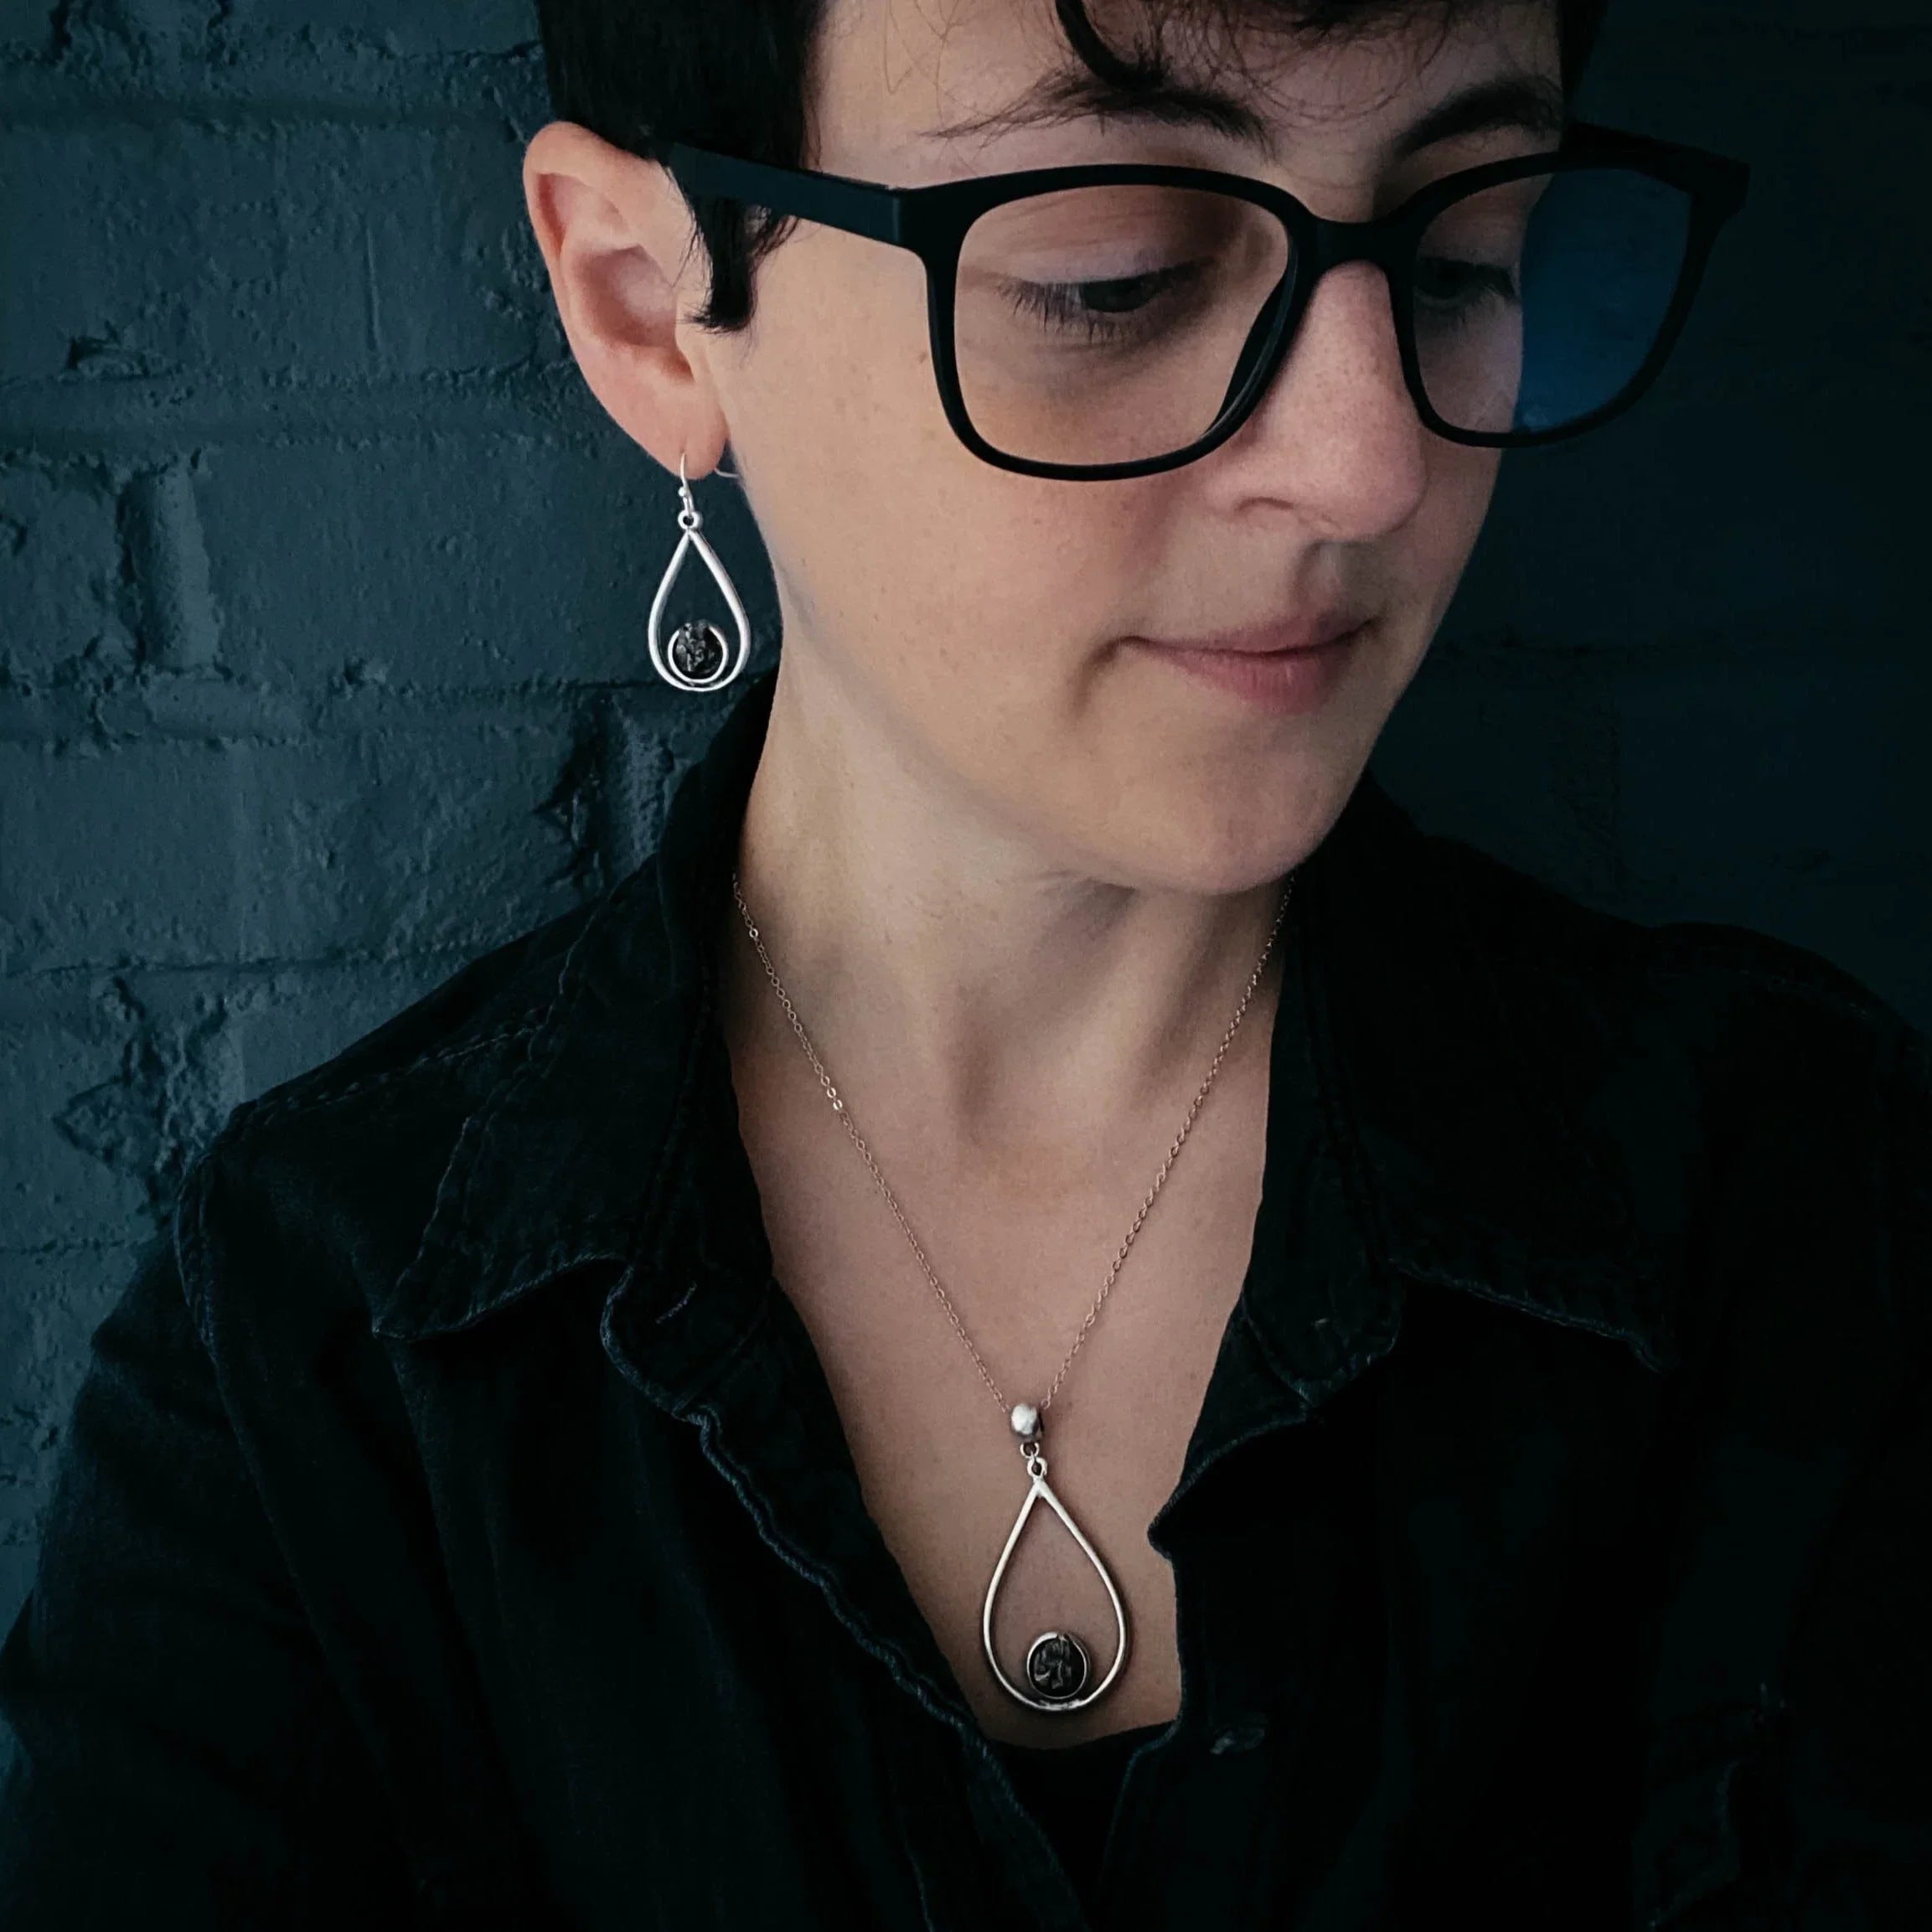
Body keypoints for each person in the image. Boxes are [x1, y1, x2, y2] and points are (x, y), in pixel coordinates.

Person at [0, 0, 1924, 1926]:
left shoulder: (1800, 1196)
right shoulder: (316, 1359)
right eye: (1113, 279)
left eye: (1454, 254)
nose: (1366, 466)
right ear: (648, 305)